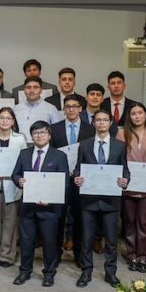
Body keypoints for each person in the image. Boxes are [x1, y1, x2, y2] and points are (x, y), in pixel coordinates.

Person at [73, 109, 129, 288]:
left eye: (105, 120)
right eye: (98, 120)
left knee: (111, 240)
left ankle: (110, 273)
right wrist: (77, 177)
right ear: (94, 123)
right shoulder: (84, 144)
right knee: (87, 238)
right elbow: (77, 168)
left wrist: (125, 180)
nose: (102, 123)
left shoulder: (120, 146)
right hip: (89, 199)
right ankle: (86, 271)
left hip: (111, 200)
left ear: (111, 123)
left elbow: (125, 169)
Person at [11, 121, 67, 287]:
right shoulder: (24, 154)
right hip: (28, 207)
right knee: (26, 242)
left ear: (49, 135)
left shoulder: (59, 156)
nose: (39, 135)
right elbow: (15, 174)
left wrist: (52, 197)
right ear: (32, 136)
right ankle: (24, 271)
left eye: (43, 132)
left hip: (49, 208)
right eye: (36, 133)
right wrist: (18, 181)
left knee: (49, 243)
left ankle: (49, 273)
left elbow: (64, 184)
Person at [115, 103, 146, 273]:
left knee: (144, 223)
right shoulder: (122, 133)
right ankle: (131, 255)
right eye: (133, 113)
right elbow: (118, 158)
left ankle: (143, 256)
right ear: (129, 116)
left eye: (140, 113)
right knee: (129, 222)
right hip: (128, 185)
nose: (137, 116)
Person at [49, 95, 95, 260]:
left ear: (80, 108)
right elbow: (50, 154)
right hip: (60, 179)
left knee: (80, 217)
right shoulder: (54, 129)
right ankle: (55, 253)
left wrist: (80, 172)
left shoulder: (90, 129)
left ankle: (79, 254)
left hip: (81, 180)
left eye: (75, 106)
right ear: (63, 109)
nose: (71, 109)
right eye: (68, 106)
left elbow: (91, 155)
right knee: (58, 217)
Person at [0, 107, 25, 268]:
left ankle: (8, 255)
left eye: (8, 118)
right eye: (2, 117)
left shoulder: (20, 139)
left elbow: (23, 162)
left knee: (10, 221)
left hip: (12, 184)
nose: (5, 121)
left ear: (13, 121)